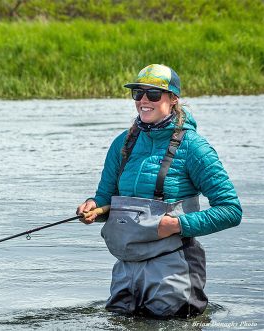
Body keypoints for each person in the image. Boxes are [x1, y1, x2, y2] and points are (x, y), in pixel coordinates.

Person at [76, 64, 242, 318]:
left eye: (153, 94)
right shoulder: (122, 143)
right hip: (126, 267)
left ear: (173, 99)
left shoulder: (194, 147)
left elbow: (231, 210)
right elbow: (105, 197)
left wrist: (177, 225)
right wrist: (92, 207)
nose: (143, 100)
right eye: (138, 93)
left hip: (174, 267)